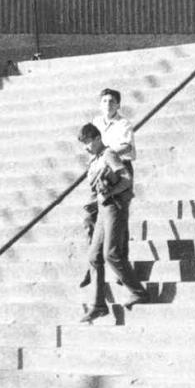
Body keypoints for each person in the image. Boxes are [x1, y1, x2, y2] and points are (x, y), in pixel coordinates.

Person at [76, 122, 150, 323]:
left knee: (111, 253)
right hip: (102, 209)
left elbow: (126, 179)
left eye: (88, 142)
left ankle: (138, 291)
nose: (86, 147)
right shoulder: (96, 159)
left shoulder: (109, 154)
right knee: (94, 255)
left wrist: (111, 192)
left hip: (115, 207)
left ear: (98, 139)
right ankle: (98, 305)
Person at [96, 88, 135, 169]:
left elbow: (127, 147)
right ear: (100, 105)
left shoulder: (124, 123)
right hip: (101, 166)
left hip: (120, 165)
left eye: (111, 101)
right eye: (104, 101)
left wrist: (108, 156)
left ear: (118, 105)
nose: (108, 104)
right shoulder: (96, 122)